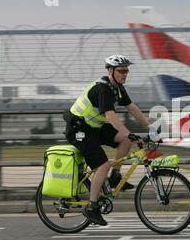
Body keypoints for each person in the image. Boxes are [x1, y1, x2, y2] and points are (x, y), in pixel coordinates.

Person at [63, 55, 155, 226]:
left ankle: (115, 177)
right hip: (79, 130)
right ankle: (92, 207)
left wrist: (150, 127)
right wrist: (128, 132)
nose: (125, 74)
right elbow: (110, 115)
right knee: (103, 165)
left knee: (125, 141)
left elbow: (132, 108)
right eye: (121, 71)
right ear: (111, 71)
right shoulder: (103, 89)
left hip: (94, 127)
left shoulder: (117, 88)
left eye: (127, 70)